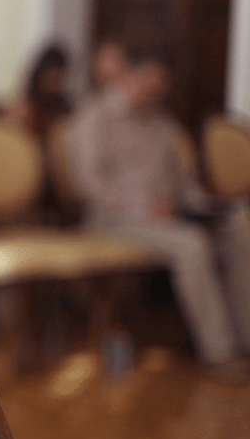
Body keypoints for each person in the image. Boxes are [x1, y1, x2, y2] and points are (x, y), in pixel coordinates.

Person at [70, 47, 250, 378]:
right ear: (128, 76)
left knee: (239, 237)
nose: (153, 93)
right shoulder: (93, 117)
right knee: (191, 244)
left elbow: (182, 184)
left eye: (159, 88)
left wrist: (207, 207)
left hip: (166, 218)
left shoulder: (162, 126)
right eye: (147, 84)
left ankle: (246, 341)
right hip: (114, 219)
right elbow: (90, 185)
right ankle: (220, 353)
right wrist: (144, 207)